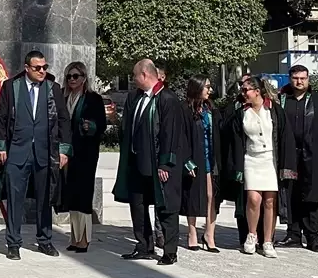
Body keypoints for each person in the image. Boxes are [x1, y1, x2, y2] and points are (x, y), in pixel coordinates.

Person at [0, 51, 71, 260]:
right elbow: (0, 118)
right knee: (15, 199)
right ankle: (13, 243)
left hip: (45, 152)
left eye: (45, 67)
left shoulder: (53, 89)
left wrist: (63, 150)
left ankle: (44, 240)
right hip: (17, 152)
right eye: (37, 68)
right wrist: (0, 147)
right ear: (27, 68)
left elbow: (64, 121)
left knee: (45, 198)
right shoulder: (11, 87)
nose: (42, 71)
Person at [112, 59, 187, 266]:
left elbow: (170, 134)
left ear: (145, 75)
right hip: (137, 162)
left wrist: (165, 164)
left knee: (165, 207)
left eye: (135, 76)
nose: (133, 80)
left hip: (158, 164)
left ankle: (169, 251)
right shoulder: (135, 98)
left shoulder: (167, 99)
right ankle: (143, 245)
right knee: (138, 204)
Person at [231, 77, 297, 258]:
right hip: (251, 159)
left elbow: (285, 136)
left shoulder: (274, 110)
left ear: (257, 91)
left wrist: (286, 165)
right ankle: (251, 235)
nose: (243, 93)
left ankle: (268, 240)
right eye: (242, 90)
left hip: (270, 159)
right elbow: (235, 139)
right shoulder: (241, 112)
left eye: (246, 90)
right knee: (253, 198)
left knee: (270, 201)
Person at [277, 65, 318, 252]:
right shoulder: (282, 101)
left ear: (308, 79)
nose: (299, 82)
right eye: (296, 78)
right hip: (288, 157)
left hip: (312, 157)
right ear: (290, 79)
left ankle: (313, 237)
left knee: (311, 197)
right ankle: (293, 234)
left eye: (303, 78)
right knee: (291, 195)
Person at [55, 62, 106, 253]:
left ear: (84, 77)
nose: (72, 80)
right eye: (69, 76)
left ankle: (85, 238)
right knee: (71, 195)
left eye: (75, 76)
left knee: (84, 194)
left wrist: (90, 127)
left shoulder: (93, 99)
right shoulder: (63, 96)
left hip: (85, 153)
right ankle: (74, 237)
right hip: (67, 153)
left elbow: (100, 124)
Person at [217, 74, 268, 251]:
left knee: (266, 201)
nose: (242, 90)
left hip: (265, 160)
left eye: (246, 87)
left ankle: (265, 238)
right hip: (242, 161)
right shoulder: (235, 107)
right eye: (241, 86)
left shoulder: (270, 108)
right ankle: (245, 235)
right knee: (245, 202)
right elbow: (225, 130)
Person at [180, 76, 221, 252]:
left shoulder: (211, 109)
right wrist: (187, 161)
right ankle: (192, 233)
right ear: (197, 88)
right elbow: (182, 138)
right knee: (194, 195)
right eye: (207, 87)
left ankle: (210, 234)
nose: (209, 90)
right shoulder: (186, 110)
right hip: (194, 158)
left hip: (210, 158)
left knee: (212, 196)